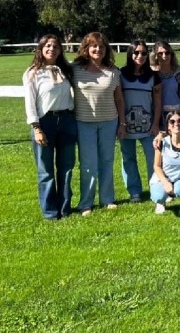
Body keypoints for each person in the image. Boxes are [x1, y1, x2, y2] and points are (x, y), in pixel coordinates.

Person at [72, 32, 125, 216]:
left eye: (101, 47)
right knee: (88, 164)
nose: (97, 50)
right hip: (83, 123)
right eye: (93, 46)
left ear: (106, 50)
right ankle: (86, 203)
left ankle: (107, 199)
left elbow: (119, 99)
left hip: (109, 122)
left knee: (107, 161)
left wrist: (122, 123)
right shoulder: (75, 69)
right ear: (86, 49)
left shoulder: (113, 71)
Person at [24, 34, 77, 219]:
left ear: (60, 50)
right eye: (47, 46)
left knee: (67, 168)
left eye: (55, 46)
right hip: (45, 123)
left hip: (67, 121)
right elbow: (30, 104)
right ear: (40, 49)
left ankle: (65, 208)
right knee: (46, 171)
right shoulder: (32, 73)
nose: (51, 49)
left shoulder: (67, 70)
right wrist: (36, 128)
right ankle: (50, 212)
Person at [119, 40, 161, 203]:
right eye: (136, 52)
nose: (140, 56)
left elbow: (158, 101)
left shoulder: (153, 76)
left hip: (148, 126)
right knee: (128, 158)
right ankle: (134, 191)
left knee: (153, 158)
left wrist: (156, 124)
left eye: (144, 53)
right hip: (126, 125)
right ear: (130, 54)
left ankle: (155, 188)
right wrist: (120, 123)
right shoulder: (121, 74)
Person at [151, 41, 180, 125]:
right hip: (157, 115)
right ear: (155, 55)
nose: (164, 56)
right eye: (160, 53)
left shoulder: (179, 72)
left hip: (177, 114)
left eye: (167, 53)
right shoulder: (151, 73)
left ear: (171, 54)